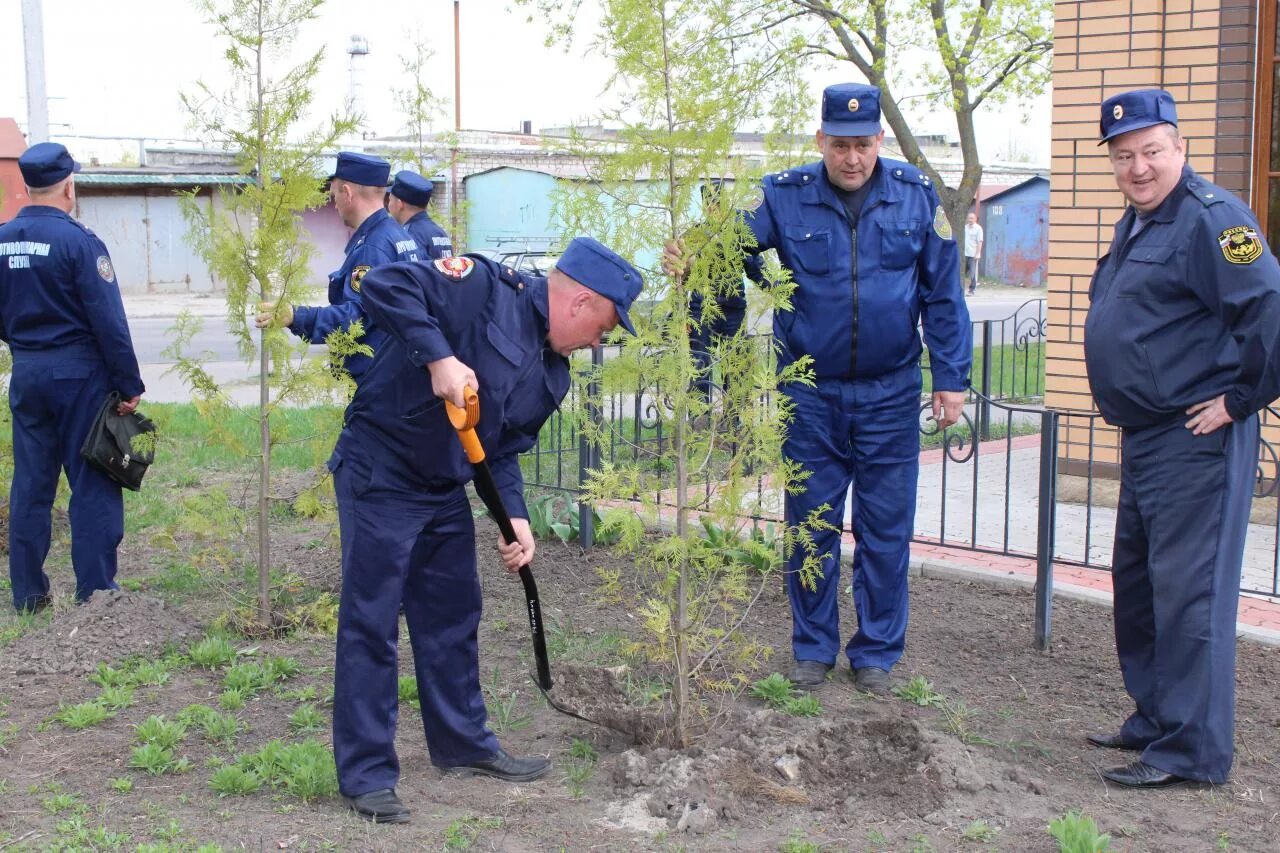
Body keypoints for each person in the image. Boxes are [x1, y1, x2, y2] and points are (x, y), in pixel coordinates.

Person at [323, 237, 641, 823]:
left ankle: (462, 744)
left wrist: (513, 512)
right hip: (382, 472)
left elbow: (502, 446)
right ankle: (367, 775)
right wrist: (437, 357)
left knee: (453, 616)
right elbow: (385, 285)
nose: (604, 340)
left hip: (442, 489)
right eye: (607, 325)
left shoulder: (553, 372)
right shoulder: (483, 288)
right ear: (581, 302)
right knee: (372, 623)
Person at [667, 83, 971, 693]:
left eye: (862, 145)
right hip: (810, 394)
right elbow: (732, 252)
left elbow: (943, 293)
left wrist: (952, 377)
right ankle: (813, 648)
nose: (851, 158)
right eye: (839, 145)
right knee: (811, 525)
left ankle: (877, 654)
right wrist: (695, 259)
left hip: (889, 394)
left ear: (879, 142)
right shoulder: (784, 198)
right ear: (821, 141)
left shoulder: (915, 197)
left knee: (886, 530)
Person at [1083, 89, 1280, 788]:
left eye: (1152, 151)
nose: (1139, 167)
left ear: (1181, 148)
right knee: (1139, 586)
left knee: (1189, 594)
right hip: (1148, 438)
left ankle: (1191, 750)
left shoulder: (1213, 218)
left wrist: (1238, 399)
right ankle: (1156, 715)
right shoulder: (1140, 221)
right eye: (1125, 155)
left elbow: (1268, 309)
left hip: (1196, 439)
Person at [0, 142, 145, 612]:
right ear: (69, 186)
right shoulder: (79, 242)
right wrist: (128, 385)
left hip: (28, 371)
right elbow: (109, 321)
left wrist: (27, 349)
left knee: (31, 485)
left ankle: (28, 597)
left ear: (25, 186)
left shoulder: (2, 240)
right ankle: (97, 594)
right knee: (93, 482)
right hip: (80, 377)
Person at [257, 152, 419, 382]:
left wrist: (295, 316)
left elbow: (357, 317)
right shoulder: (399, 236)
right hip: (398, 371)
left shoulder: (373, 247)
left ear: (347, 193)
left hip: (378, 377)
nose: (334, 204)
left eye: (334, 195)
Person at [684, 181, 762, 415]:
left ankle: (734, 418)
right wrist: (680, 312)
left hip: (733, 309)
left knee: (736, 363)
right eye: (710, 204)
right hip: (702, 309)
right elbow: (682, 277)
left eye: (718, 203)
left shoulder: (738, 234)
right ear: (705, 206)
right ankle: (698, 419)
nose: (714, 208)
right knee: (699, 362)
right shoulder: (695, 235)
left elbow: (756, 268)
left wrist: (778, 291)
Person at [386, 170, 453, 260]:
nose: (388, 205)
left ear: (400, 204)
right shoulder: (440, 233)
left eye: (390, 199)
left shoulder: (408, 236)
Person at [963, 211, 983, 295]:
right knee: (961, 272)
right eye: (969, 218)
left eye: (972, 218)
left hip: (973, 254)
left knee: (972, 273)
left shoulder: (978, 228)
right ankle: (960, 289)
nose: (970, 220)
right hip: (964, 254)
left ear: (975, 219)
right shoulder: (965, 227)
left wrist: (978, 253)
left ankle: (972, 290)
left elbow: (980, 242)